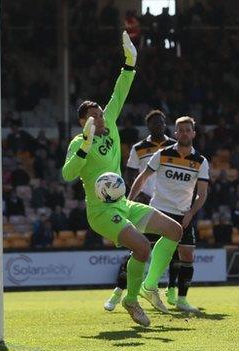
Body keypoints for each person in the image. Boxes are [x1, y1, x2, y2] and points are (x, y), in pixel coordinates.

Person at [62, 32, 182, 328]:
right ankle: (131, 300)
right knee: (142, 248)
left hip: (124, 203)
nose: (99, 117)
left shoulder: (110, 123)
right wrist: (85, 147)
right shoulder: (79, 143)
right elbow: (67, 175)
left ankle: (149, 286)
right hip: (101, 212)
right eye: (92, 116)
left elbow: (120, 91)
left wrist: (130, 62)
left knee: (175, 230)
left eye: (100, 113)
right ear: (82, 122)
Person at [128, 116, 209, 313]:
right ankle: (124, 292)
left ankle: (180, 299)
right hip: (158, 211)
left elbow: (203, 194)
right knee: (137, 249)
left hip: (183, 214)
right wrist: (128, 201)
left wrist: (191, 212)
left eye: (188, 130)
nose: (184, 133)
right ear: (175, 134)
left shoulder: (201, 161)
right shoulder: (162, 154)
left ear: (193, 133)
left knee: (187, 254)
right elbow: (142, 177)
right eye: (180, 130)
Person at [104, 109, 175, 312]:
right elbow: (131, 174)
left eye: (161, 122)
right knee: (137, 249)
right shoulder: (139, 148)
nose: (159, 126)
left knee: (169, 248)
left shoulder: (174, 147)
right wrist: (137, 197)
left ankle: (165, 292)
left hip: (166, 204)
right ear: (148, 126)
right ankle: (118, 292)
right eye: (154, 123)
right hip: (144, 204)